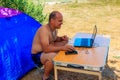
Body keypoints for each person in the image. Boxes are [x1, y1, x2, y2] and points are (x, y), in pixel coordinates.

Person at [31, 11, 75, 80]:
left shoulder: (54, 29)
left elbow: (53, 38)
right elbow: (46, 49)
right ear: (52, 20)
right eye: (59, 21)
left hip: (45, 51)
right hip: (37, 55)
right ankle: (45, 77)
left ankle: (51, 66)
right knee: (54, 56)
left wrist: (61, 38)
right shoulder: (44, 30)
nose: (62, 23)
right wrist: (62, 48)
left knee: (65, 42)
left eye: (62, 21)